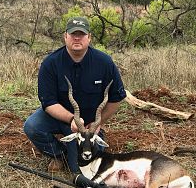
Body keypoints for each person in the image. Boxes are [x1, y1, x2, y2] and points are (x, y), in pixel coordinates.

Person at [23, 16, 126, 173]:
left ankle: (79, 150)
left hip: (90, 125)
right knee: (32, 126)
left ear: (89, 37)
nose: (77, 38)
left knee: (87, 161)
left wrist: (97, 123)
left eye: (82, 34)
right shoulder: (50, 63)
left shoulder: (104, 62)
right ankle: (59, 154)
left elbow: (116, 98)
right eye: (73, 34)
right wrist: (72, 119)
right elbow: (48, 102)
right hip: (60, 118)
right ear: (65, 36)